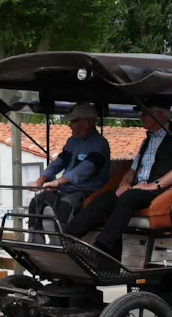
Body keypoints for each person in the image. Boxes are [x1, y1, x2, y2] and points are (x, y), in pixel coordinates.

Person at [65, 104, 172, 263]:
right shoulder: (147, 140)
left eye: (145, 114)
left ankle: (102, 247)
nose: (141, 117)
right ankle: (67, 237)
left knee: (129, 197)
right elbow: (132, 170)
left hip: (164, 191)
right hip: (138, 189)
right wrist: (124, 183)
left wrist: (154, 184)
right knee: (104, 199)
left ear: (161, 115)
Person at [26, 102, 111, 243]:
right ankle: (35, 240)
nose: (70, 126)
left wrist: (59, 181)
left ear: (84, 123)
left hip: (86, 192)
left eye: (73, 121)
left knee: (66, 204)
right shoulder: (72, 142)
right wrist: (40, 181)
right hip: (66, 189)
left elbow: (86, 168)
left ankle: (63, 242)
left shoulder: (100, 144)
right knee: (37, 200)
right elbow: (59, 162)